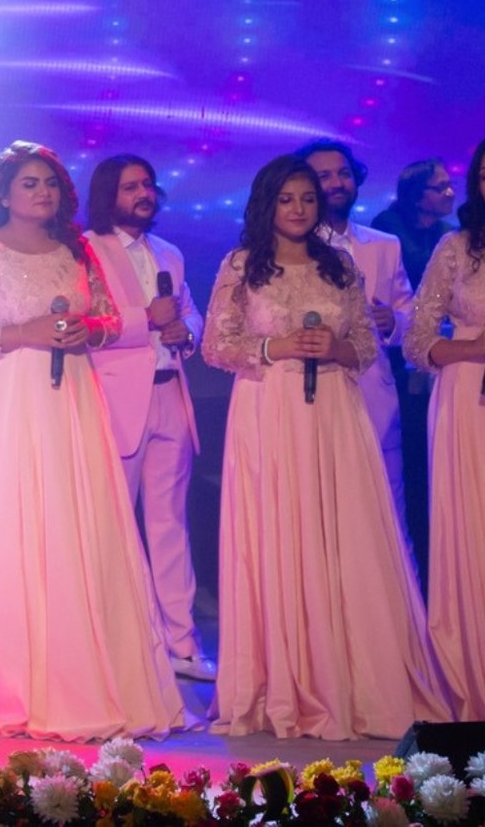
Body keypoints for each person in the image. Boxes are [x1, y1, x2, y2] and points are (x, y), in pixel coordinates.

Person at [0, 141, 184, 739]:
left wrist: (85, 331)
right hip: (8, 398)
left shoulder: (76, 250)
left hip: (73, 397)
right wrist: (24, 332)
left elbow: (108, 319)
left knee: (79, 526)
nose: (43, 192)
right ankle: (21, 684)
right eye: (29, 183)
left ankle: (88, 673)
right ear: (3, 195)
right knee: (16, 528)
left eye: (50, 182)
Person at [202, 155, 449, 739]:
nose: (299, 209)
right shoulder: (241, 266)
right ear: (267, 203)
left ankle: (353, 678)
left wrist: (336, 349)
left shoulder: (339, 264)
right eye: (287, 199)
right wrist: (277, 348)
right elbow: (216, 344)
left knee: (343, 532)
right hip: (269, 410)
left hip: (336, 411)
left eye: (308, 199)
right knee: (279, 531)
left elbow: (364, 344)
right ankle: (283, 682)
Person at [83, 154, 211, 682]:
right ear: (108, 195)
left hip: (170, 393)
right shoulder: (87, 249)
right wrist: (148, 320)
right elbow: (87, 323)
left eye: (148, 185)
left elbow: (189, 310)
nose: (144, 194)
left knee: (170, 523)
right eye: (131, 186)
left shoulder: (169, 253)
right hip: (115, 400)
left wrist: (187, 331)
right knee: (112, 525)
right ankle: (117, 645)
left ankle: (182, 644)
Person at [404, 134, 485, 716]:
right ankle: (470, 669)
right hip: (466, 400)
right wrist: (470, 351)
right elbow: (417, 338)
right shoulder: (457, 247)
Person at [299, 137, 414, 523]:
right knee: (329, 508)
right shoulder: (294, 248)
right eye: (324, 176)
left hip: (376, 394)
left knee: (387, 507)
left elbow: (410, 312)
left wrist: (394, 323)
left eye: (343, 174)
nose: (337, 183)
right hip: (317, 394)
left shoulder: (384, 245)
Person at [371, 157, 457, 294]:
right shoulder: (387, 224)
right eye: (441, 187)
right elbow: (416, 266)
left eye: (450, 186)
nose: (451, 193)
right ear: (415, 195)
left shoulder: (447, 230)